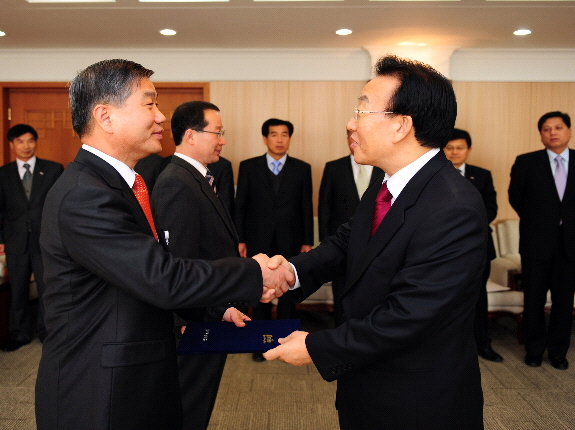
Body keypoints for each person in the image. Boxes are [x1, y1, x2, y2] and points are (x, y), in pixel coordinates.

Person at [35, 59, 292, 430]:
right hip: (98, 390)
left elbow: (137, 279)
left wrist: (212, 312)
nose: (161, 117)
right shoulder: (84, 195)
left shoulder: (120, 185)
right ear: (105, 116)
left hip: (135, 376)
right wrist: (255, 271)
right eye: (149, 103)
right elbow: (161, 277)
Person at [264, 55, 486, 430]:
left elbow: (409, 315)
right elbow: (345, 244)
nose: (351, 124)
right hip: (367, 382)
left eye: (361, 111)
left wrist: (317, 347)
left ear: (401, 125)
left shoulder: (453, 206)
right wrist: (289, 271)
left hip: (417, 401)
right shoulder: (385, 183)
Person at [151, 101, 238, 430]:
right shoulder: (177, 182)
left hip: (209, 312)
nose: (223, 140)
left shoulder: (199, 178)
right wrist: (183, 319)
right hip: (193, 323)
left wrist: (224, 307)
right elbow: (178, 262)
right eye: (217, 133)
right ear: (190, 135)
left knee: (198, 406)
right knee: (187, 408)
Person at [234, 118, 313, 361]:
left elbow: (306, 207)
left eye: (284, 135)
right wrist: (241, 238)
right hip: (259, 239)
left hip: (291, 239)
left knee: (288, 292)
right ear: (265, 138)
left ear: (290, 138)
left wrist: (307, 241)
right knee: (261, 293)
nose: (279, 139)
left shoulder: (302, 168)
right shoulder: (249, 167)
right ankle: (260, 346)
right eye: (274, 134)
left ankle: (288, 345)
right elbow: (241, 206)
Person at [509, 111, 575, 370]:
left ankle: (558, 352)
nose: (553, 133)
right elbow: (516, 197)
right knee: (533, 299)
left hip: (570, 245)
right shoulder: (527, 162)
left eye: (558, 127)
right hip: (536, 243)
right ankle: (534, 350)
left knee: (563, 300)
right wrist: (541, 222)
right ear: (541, 134)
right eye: (546, 129)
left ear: (568, 131)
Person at [0, 124, 63, 352]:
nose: (26, 146)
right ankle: (19, 334)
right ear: (12, 144)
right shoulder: (3, 174)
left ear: (36, 142)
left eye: (30, 141)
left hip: (44, 241)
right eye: (20, 141)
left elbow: (59, 206)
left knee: (48, 289)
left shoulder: (54, 169)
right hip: (15, 241)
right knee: (17, 290)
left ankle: (48, 332)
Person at [444, 128, 503, 363]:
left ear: (468, 150)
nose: (454, 152)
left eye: (459, 147)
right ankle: (446, 347)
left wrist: (464, 228)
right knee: (445, 298)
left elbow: (491, 209)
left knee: (478, 297)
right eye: (449, 147)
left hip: (477, 246)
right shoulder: (434, 175)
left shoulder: (482, 175)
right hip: (443, 247)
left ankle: (483, 344)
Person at [318, 128, 383, 324]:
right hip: (342, 246)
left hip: (377, 244)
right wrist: (325, 244)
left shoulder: (384, 168)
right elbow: (324, 207)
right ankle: (340, 334)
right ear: (347, 139)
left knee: (374, 293)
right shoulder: (333, 168)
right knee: (342, 292)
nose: (354, 138)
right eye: (350, 135)